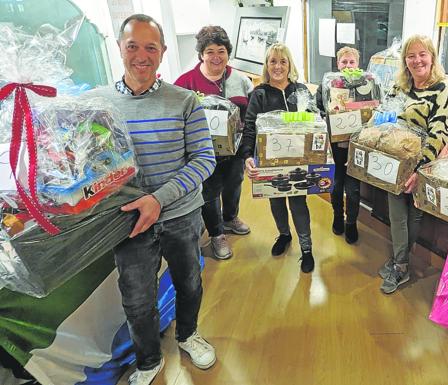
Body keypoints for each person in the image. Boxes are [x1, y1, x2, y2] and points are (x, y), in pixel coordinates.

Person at [88, 14, 217, 385]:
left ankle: (188, 334)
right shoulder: (97, 105)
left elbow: (204, 159)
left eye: (150, 47)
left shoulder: (185, 101)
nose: (141, 56)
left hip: (180, 215)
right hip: (127, 221)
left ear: (162, 52)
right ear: (119, 49)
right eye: (133, 46)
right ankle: (148, 360)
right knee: (136, 298)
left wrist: (158, 199)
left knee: (189, 282)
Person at [378, 34, 448, 294]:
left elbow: (440, 132)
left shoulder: (443, 88)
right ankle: (400, 262)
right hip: (395, 160)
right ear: (405, 61)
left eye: (423, 54)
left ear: (432, 57)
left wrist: (421, 170)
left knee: (414, 214)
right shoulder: (398, 86)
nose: (417, 60)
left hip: (424, 163)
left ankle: (400, 264)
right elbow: (384, 115)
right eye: (411, 55)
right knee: (397, 212)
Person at [175, 25, 254, 260]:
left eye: (221, 50)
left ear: (228, 53)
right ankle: (217, 234)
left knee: (234, 185)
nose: (216, 57)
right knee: (209, 193)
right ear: (201, 54)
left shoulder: (241, 79)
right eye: (210, 51)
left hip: (235, 151)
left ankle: (230, 218)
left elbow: (250, 115)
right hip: (203, 153)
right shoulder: (185, 83)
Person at [240, 43, 315, 273]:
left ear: (289, 64)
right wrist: (246, 157)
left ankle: (306, 248)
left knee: (298, 203)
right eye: (273, 61)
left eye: (283, 61)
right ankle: (284, 235)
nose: (278, 66)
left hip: (297, 162)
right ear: (266, 65)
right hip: (269, 161)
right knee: (276, 200)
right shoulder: (259, 94)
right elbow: (250, 127)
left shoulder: (300, 91)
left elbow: (314, 123)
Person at [315, 46, 362, 244]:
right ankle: (337, 216)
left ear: (358, 64)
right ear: (338, 63)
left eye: (352, 62)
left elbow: (374, 108)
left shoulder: (365, 85)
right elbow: (316, 108)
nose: (348, 66)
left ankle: (351, 223)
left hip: (355, 147)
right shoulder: (327, 84)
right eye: (344, 62)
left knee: (353, 190)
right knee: (335, 186)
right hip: (334, 147)